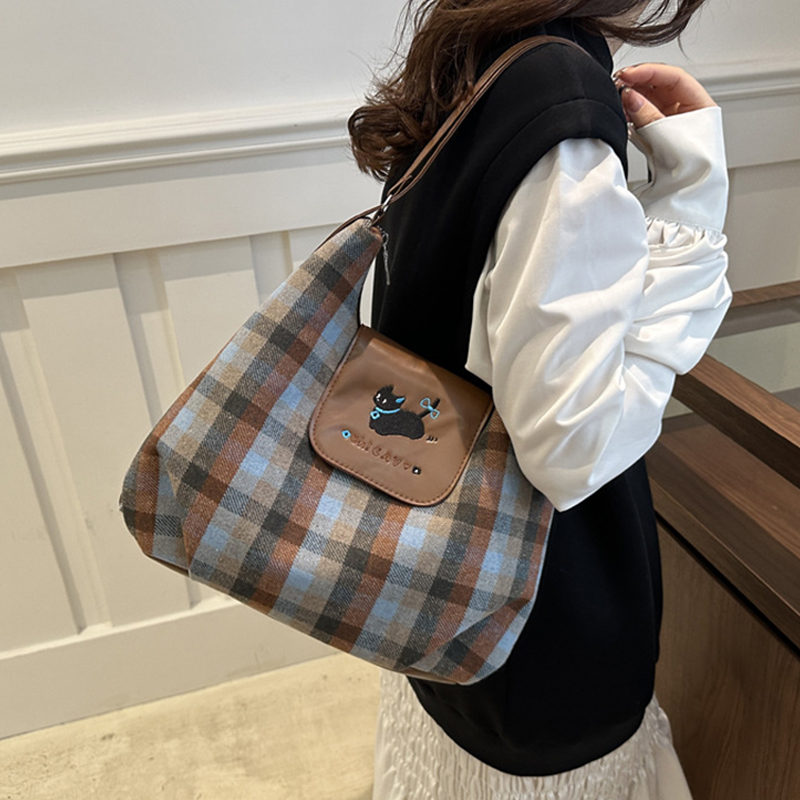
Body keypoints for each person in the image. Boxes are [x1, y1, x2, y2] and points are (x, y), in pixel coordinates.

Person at [348, 1, 731, 797]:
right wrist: (692, 202)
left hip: (438, 571)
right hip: (531, 621)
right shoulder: (562, 101)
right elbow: (574, 445)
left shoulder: (479, 49)